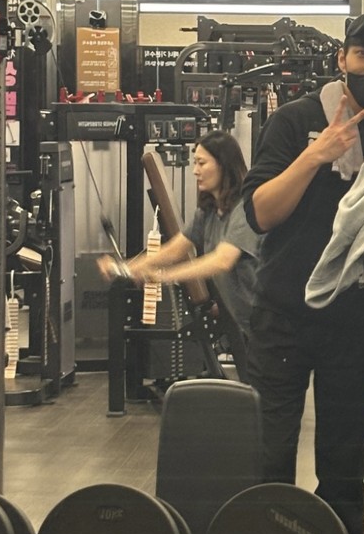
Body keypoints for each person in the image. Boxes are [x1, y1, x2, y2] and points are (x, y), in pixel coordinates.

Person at [240, 11, 364, 534]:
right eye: (361, 54)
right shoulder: (295, 121)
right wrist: (316, 154)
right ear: (342, 59)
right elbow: (261, 214)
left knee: (342, 464)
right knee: (268, 456)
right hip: (281, 318)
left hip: (354, 323)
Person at [99, 130, 259, 374]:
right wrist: (126, 268)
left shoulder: (244, 208)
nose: (195, 171)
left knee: (266, 393)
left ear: (223, 165)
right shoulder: (208, 211)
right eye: (195, 163)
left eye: (202, 163)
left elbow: (222, 261)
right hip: (249, 323)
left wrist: (164, 276)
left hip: (271, 321)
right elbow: (175, 249)